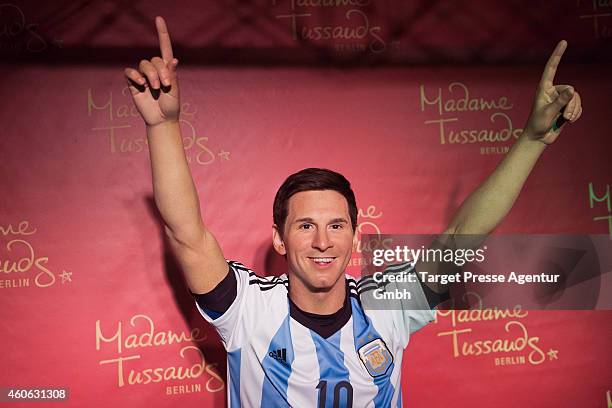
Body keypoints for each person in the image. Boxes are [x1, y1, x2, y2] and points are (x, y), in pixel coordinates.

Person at [124, 16, 583, 408]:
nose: (323, 242)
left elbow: (461, 236)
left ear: (354, 234)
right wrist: (163, 125)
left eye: (336, 225)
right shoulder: (248, 308)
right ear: (280, 238)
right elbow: (186, 232)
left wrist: (532, 141)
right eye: (306, 226)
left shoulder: (388, 305)